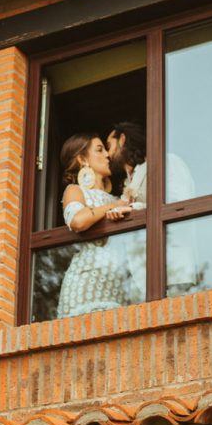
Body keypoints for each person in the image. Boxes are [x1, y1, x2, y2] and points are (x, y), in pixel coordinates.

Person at [106, 122, 200, 299]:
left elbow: (179, 205)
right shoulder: (130, 181)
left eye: (109, 146)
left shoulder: (166, 161)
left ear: (122, 139)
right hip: (140, 284)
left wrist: (135, 208)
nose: (108, 154)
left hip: (173, 273)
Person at [56, 133, 131, 318]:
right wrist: (113, 207)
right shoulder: (75, 191)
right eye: (99, 149)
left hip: (118, 286)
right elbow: (78, 221)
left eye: (106, 149)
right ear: (82, 159)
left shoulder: (117, 200)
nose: (107, 155)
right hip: (86, 284)